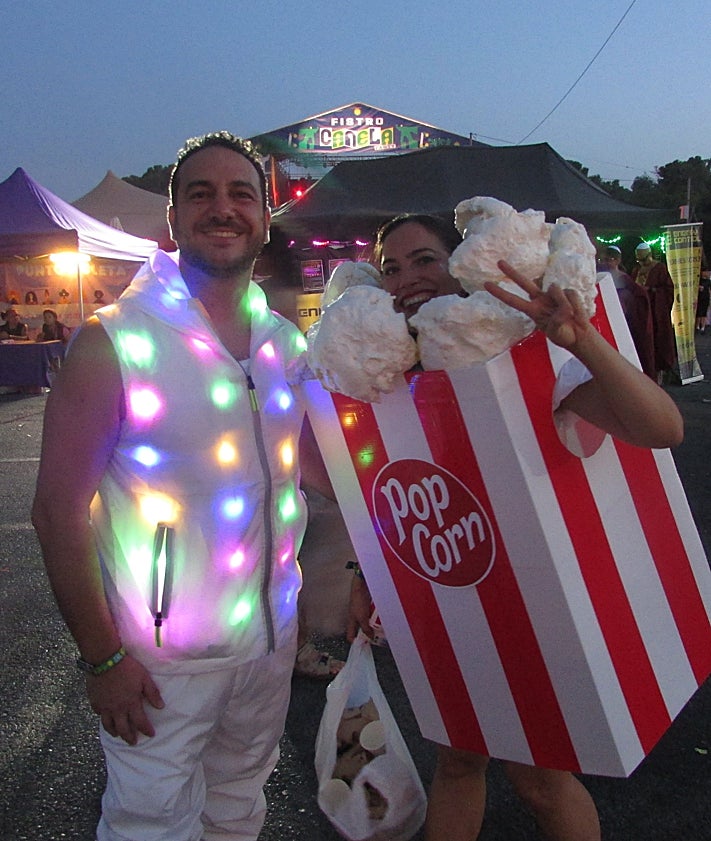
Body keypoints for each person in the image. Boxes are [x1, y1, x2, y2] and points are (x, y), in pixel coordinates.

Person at [31, 131, 333, 841]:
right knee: (150, 828)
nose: (220, 208)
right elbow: (56, 513)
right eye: (200, 193)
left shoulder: (284, 344)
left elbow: (321, 476)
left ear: (264, 217)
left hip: (267, 649)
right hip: (160, 662)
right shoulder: (115, 342)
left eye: (239, 194)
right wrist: (103, 657)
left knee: (237, 809)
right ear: (172, 221)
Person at [348, 214, 683, 841]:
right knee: (457, 760)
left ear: (461, 262)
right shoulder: (394, 372)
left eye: (424, 260)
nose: (405, 280)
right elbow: (387, 485)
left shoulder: (520, 352)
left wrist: (580, 340)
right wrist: (364, 572)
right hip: (450, 595)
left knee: (541, 780)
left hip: (533, 601)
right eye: (391, 268)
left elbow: (663, 429)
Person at [598, 244, 655, 378]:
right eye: (603, 260)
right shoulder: (600, 279)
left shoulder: (624, 280)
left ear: (617, 261)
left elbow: (639, 300)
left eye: (609, 260)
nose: (605, 263)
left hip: (625, 326)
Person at [631, 242, 676, 382]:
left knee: (657, 342)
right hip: (640, 314)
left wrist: (651, 291)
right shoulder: (636, 270)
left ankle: (658, 373)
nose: (641, 262)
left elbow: (668, 289)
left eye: (643, 259)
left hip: (656, 313)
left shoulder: (659, 268)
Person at [696, 268, 710, 332]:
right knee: (699, 312)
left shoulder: (708, 281)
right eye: (706, 272)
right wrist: (698, 287)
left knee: (704, 312)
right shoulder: (698, 280)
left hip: (706, 298)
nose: (707, 273)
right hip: (699, 298)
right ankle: (697, 325)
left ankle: (703, 326)